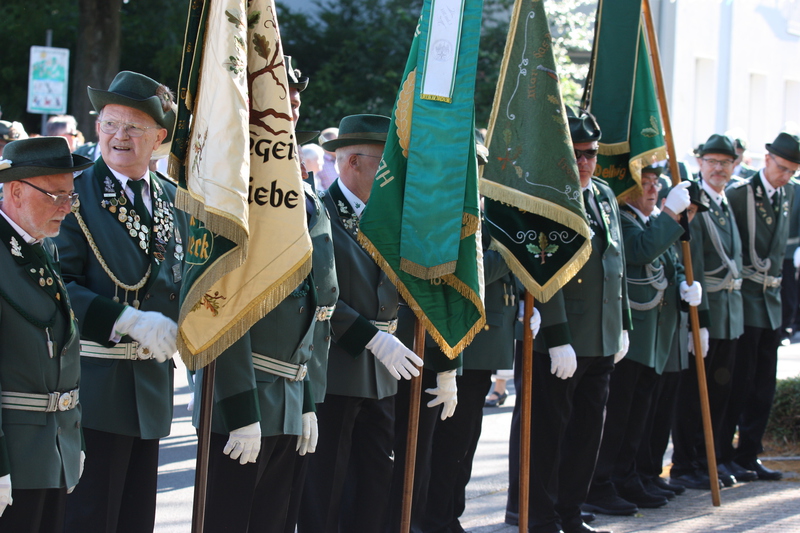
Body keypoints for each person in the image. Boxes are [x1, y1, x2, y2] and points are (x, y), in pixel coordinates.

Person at [56, 71, 186, 533]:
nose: (119, 136)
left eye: (133, 127)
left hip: (150, 389)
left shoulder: (173, 199)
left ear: (159, 138)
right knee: (90, 519)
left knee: (136, 521)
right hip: (96, 389)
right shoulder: (74, 195)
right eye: (110, 124)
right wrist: (125, 319)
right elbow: (57, 287)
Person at [297, 114, 425, 533]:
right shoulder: (317, 212)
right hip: (336, 372)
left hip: (383, 374)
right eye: (385, 164)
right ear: (351, 162)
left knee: (375, 484)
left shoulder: (389, 217)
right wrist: (372, 339)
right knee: (325, 488)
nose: (394, 175)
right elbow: (315, 291)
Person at [511, 107, 630, 533]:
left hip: (600, 334)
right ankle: (536, 513)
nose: (583, 162)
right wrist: (558, 334)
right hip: (561, 338)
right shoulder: (546, 196)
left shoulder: (604, 195)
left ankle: (569, 510)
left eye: (591, 153)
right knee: (547, 432)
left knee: (586, 431)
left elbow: (616, 264)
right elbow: (541, 269)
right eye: (575, 153)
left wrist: (623, 324)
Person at [585, 168, 699, 514]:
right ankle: (602, 482)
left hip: (654, 336)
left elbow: (669, 262)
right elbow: (640, 250)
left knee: (638, 417)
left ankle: (628, 476)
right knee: (619, 417)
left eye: (655, 182)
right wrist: (670, 214)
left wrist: (684, 286)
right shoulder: (624, 219)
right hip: (634, 335)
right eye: (644, 182)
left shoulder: (648, 220)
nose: (652, 189)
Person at [0, 137, 92, 532]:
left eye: (70, 196)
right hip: (15, 456)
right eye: (55, 195)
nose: (66, 207)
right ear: (16, 191)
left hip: (53, 450)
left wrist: (74, 439)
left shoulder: (42, 249)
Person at [670, 133, 748, 489]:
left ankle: (708, 459)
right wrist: (698, 321)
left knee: (719, 394)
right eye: (712, 162)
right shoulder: (695, 204)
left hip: (729, 313)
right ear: (700, 163)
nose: (719, 168)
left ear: (735, 165)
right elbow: (694, 265)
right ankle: (686, 464)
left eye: (726, 162)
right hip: (707, 312)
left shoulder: (723, 201)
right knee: (692, 395)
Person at [721, 132, 800, 481]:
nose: (786, 176)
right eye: (782, 168)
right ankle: (724, 455)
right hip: (745, 299)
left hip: (771, 300)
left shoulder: (789, 192)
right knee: (739, 382)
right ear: (767, 159)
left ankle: (748, 454)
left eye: (792, 171)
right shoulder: (740, 194)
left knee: (764, 386)